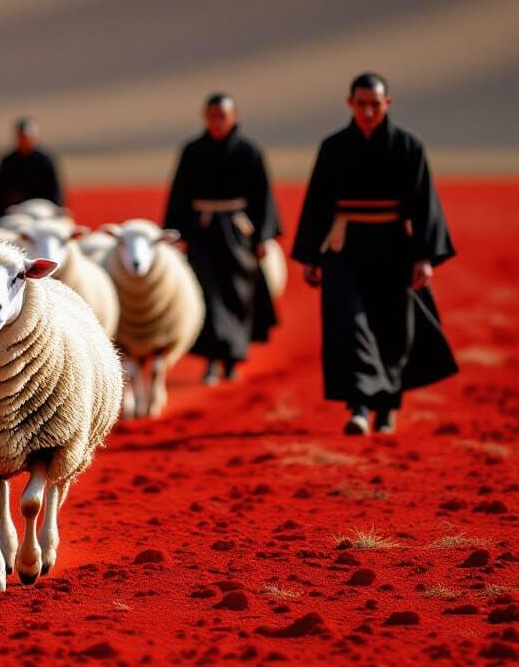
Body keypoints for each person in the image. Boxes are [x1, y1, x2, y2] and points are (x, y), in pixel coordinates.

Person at [291, 73, 457, 435]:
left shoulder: (408, 147)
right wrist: (310, 257)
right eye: (361, 104)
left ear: (387, 104)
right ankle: (360, 407)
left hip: (393, 246)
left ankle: (387, 407)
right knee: (349, 324)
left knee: (393, 329)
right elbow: (318, 203)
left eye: (375, 105)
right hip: (344, 247)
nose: (368, 111)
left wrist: (425, 257)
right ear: (350, 103)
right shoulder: (333, 147)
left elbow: (425, 204)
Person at [163, 93, 281, 385]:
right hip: (201, 231)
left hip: (238, 233)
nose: (217, 122)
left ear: (233, 117)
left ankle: (233, 357)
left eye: (222, 117)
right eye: (212, 116)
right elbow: (179, 192)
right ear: (206, 118)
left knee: (239, 292)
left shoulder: (249, 151)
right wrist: (176, 232)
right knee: (207, 293)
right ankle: (213, 361)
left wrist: (264, 236)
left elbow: (263, 196)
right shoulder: (192, 150)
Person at [0, 118, 63, 223]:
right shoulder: (8, 162)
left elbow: (55, 190)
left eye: (27, 136)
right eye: (22, 136)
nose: (25, 139)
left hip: (43, 211)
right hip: (15, 213)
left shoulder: (44, 160)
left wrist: (57, 209)